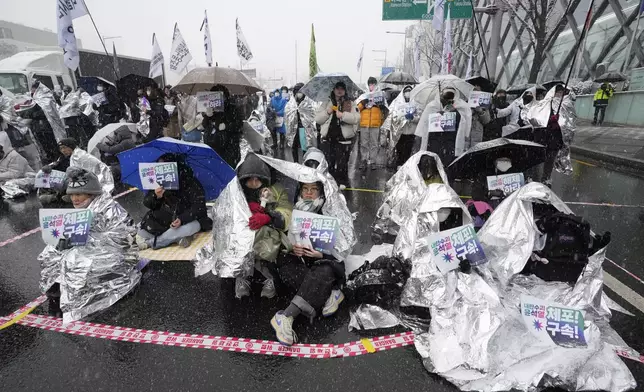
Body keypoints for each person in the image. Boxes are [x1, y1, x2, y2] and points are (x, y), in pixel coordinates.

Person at [40, 167, 140, 321]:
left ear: (91, 193)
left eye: (79, 194)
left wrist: (87, 240)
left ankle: (75, 301)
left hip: (114, 252)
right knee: (50, 253)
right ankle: (57, 292)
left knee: (74, 261)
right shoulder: (82, 208)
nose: (74, 199)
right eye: (72, 195)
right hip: (88, 248)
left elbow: (125, 237)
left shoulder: (109, 208)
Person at [270, 180, 345, 346]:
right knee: (284, 261)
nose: (309, 193)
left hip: (322, 265)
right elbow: (284, 243)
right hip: (301, 264)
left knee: (325, 269)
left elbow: (342, 251)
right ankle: (329, 292)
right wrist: (292, 249)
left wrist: (322, 253)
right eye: (305, 189)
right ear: (300, 191)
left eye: (314, 189)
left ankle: (287, 316)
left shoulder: (330, 211)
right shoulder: (293, 211)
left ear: (321, 193)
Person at [235, 153, 292, 299]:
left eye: (257, 179)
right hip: (243, 232)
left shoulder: (276, 190)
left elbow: (286, 212)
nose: (254, 183)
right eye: (250, 180)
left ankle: (270, 277)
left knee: (262, 234)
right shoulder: (237, 192)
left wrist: (268, 215)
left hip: (270, 233)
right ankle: (243, 276)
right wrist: (246, 209)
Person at [136, 153, 209, 250]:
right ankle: (177, 239)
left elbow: (199, 208)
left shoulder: (191, 183)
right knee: (143, 232)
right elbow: (148, 203)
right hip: (165, 221)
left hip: (188, 220)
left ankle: (154, 242)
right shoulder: (159, 183)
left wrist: (181, 219)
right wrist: (156, 195)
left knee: (188, 228)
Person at [315, 81, 360, 186]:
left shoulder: (350, 103)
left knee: (342, 164)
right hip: (328, 139)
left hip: (343, 140)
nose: (339, 91)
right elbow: (318, 119)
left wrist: (343, 115)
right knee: (328, 164)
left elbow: (356, 118)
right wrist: (328, 112)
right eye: (337, 88)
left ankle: (342, 183)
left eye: (342, 89)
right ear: (334, 90)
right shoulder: (327, 102)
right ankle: (329, 184)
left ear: (345, 91)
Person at [416, 87, 472, 165]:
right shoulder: (432, 106)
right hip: (434, 142)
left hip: (450, 143)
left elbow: (462, 125)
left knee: (448, 165)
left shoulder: (462, 106)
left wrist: (455, 112)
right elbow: (425, 125)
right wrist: (437, 115)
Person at [201, 84, 243, 168]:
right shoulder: (211, 108)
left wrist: (226, 126)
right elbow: (204, 126)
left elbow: (239, 124)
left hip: (230, 147)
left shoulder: (232, 108)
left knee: (229, 172)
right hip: (214, 147)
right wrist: (207, 116)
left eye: (221, 95)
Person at [357, 77, 388, 171]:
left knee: (374, 143)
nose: (372, 86)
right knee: (364, 143)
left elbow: (385, 110)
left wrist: (379, 106)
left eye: (373, 84)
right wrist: (363, 102)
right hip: (364, 123)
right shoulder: (363, 96)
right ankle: (363, 160)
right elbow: (357, 108)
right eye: (370, 84)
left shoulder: (380, 96)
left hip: (375, 124)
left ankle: (373, 161)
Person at [38, 138, 76, 206]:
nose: (63, 150)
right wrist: (48, 167)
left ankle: (72, 195)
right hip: (63, 178)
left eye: (64, 148)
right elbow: (55, 163)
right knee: (43, 174)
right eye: (61, 148)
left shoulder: (77, 157)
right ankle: (50, 195)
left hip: (73, 178)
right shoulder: (62, 158)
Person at [284, 83, 317, 163]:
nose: (299, 94)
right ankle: (295, 162)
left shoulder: (308, 103)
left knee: (304, 147)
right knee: (294, 146)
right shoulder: (291, 104)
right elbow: (287, 114)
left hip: (303, 128)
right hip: (293, 129)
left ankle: (305, 162)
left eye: (301, 91)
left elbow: (312, 114)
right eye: (297, 91)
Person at [395, 85, 420, 167]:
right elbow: (395, 116)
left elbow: (419, 117)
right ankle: (399, 163)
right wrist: (402, 117)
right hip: (401, 131)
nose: (408, 93)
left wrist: (413, 118)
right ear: (403, 93)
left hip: (411, 131)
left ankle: (407, 165)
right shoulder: (398, 103)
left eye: (410, 91)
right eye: (406, 92)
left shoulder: (416, 104)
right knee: (400, 148)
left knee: (408, 149)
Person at [469, 84, 491, 149]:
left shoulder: (484, 104)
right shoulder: (465, 102)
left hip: (477, 136)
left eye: (478, 90)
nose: (476, 92)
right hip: (465, 136)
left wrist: (480, 111)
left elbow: (487, 120)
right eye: (474, 90)